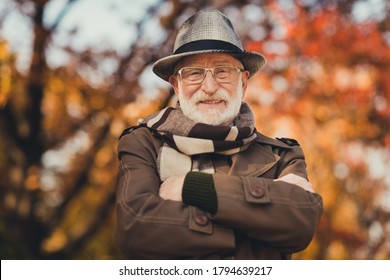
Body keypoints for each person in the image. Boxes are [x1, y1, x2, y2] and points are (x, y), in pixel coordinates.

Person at [115, 8, 323, 260]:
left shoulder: (282, 155)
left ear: (243, 83)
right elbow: (136, 230)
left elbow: (300, 225)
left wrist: (192, 187)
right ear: (176, 86)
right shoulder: (143, 143)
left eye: (223, 71)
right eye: (194, 73)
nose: (210, 87)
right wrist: (251, 228)